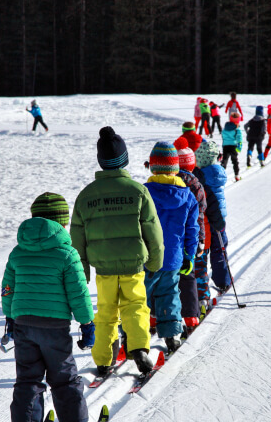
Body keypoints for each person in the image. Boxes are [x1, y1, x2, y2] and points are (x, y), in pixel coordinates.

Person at [0, 192, 95, 422]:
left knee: (28, 377)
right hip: (54, 328)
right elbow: (78, 292)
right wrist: (87, 323)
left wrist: (9, 317)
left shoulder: (18, 253)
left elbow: (8, 287)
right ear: (62, 223)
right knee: (63, 375)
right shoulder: (67, 253)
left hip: (23, 325)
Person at [70, 126, 164, 376]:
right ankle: (139, 349)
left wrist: (83, 273)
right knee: (135, 306)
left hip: (104, 267)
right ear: (125, 159)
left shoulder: (86, 196)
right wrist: (155, 262)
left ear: (101, 162)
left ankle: (103, 358)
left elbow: (76, 238)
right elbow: (153, 232)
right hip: (133, 265)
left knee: (106, 310)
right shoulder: (138, 191)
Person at [143, 142, 199, 351]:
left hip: (147, 257)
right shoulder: (187, 196)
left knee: (141, 297)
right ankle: (171, 336)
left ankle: (137, 336)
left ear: (152, 167)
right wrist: (189, 256)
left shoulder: (144, 192)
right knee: (169, 294)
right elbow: (192, 230)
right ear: (175, 168)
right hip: (174, 257)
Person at [174, 138, 207, 331]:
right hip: (190, 240)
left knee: (166, 277)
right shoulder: (196, 185)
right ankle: (191, 318)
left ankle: (156, 317)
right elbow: (199, 217)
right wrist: (201, 240)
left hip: (170, 238)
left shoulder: (171, 181)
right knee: (188, 276)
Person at [192, 141, 226, 318]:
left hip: (203, 223)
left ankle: (195, 297)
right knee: (218, 252)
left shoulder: (199, 177)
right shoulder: (219, 172)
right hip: (217, 219)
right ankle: (221, 281)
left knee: (198, 262)